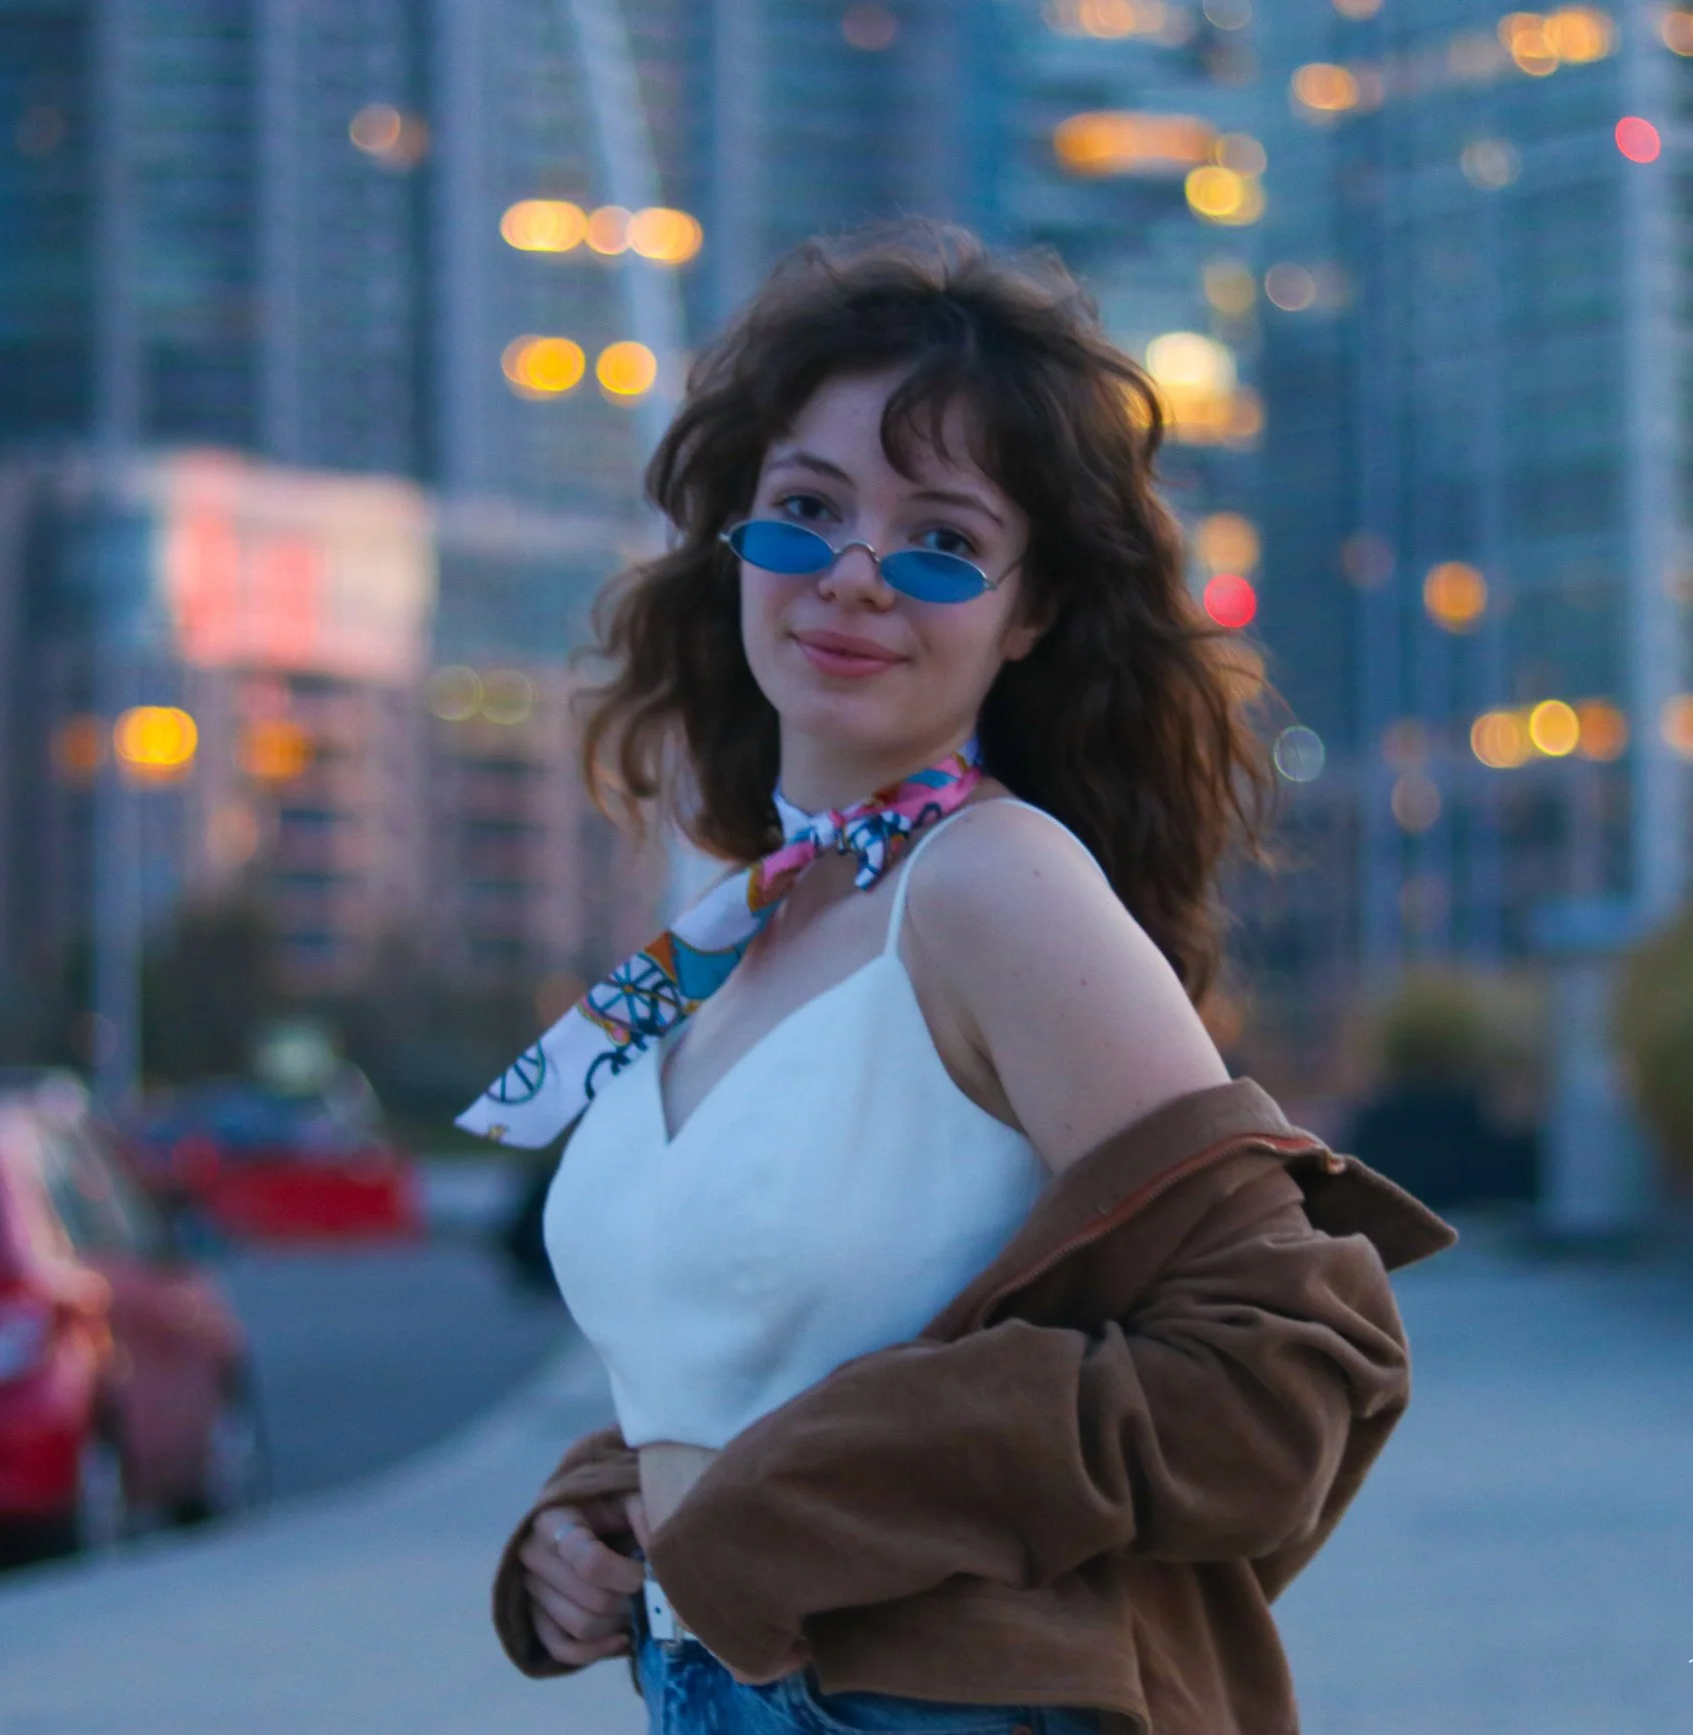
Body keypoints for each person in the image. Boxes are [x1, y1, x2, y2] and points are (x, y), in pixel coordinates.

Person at [460, 221, 1457, 1735]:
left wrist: (781, 1504)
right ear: (738, 544)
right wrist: (586, 1525)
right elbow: (774, 1349)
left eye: (938, 540)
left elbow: (1282, 1365)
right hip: (719, 1683)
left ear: (1030, 609)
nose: (853, 575)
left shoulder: (993, 884)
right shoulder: (742, 925)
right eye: (804, 511)